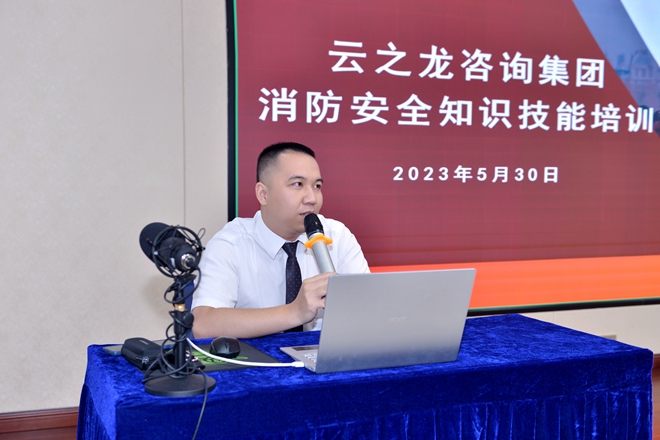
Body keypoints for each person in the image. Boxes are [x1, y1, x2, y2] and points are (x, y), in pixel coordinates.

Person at [191, 142, 369, 338]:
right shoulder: (231, 243)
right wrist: (295, 312)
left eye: (317, 186)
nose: (312, 198)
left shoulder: (337, 236)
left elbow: (370, 311)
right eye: (298, 184)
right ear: (263, 194)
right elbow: (203, 324)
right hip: (255, 356)